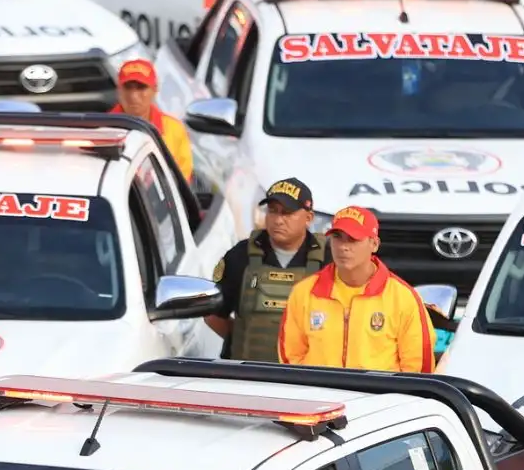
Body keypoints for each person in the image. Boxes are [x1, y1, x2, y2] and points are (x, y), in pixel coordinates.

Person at [278, 205, 434, 373]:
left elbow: (419, 369)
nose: (343, 247)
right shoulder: (304, 292)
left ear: (374, 244)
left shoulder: (403, 297)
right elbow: (290, 358)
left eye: (353, 239)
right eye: (337, 237)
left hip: (378, 390)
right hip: (318, 389)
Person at [209, 177, 327, 361]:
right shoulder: (240, 255)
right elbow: (213, 313)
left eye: (287, 213)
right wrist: (243, 340)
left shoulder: (328, 260)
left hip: (307, 375)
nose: (278, 220)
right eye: (272, 211)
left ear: (308, 218)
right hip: (247, 373)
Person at [108, 58, 193, 183]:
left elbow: (182, 181)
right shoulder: (103, 130)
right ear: (118, 90)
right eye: (128, 87)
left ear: (155, 89)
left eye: (141, 87)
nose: (133, 95)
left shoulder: (174, 130)